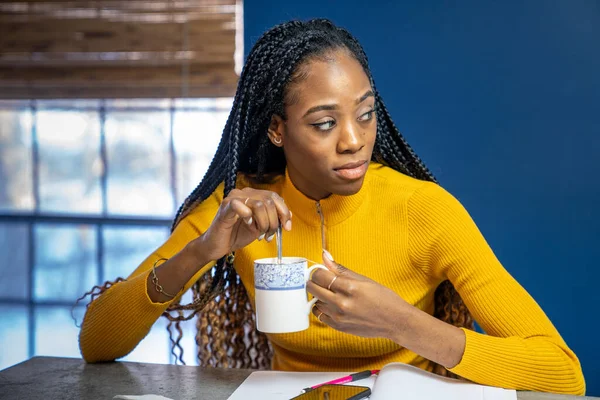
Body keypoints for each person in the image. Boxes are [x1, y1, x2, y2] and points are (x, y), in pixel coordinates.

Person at [78, 19, 585, 394]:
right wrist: (203, 250)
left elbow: (563, 373)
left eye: (365, 115)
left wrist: (402, 323)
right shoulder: (239, 209)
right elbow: (97, 343)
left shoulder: (425, 210)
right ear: (277, 129)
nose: (354, 141)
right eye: (324, 124)